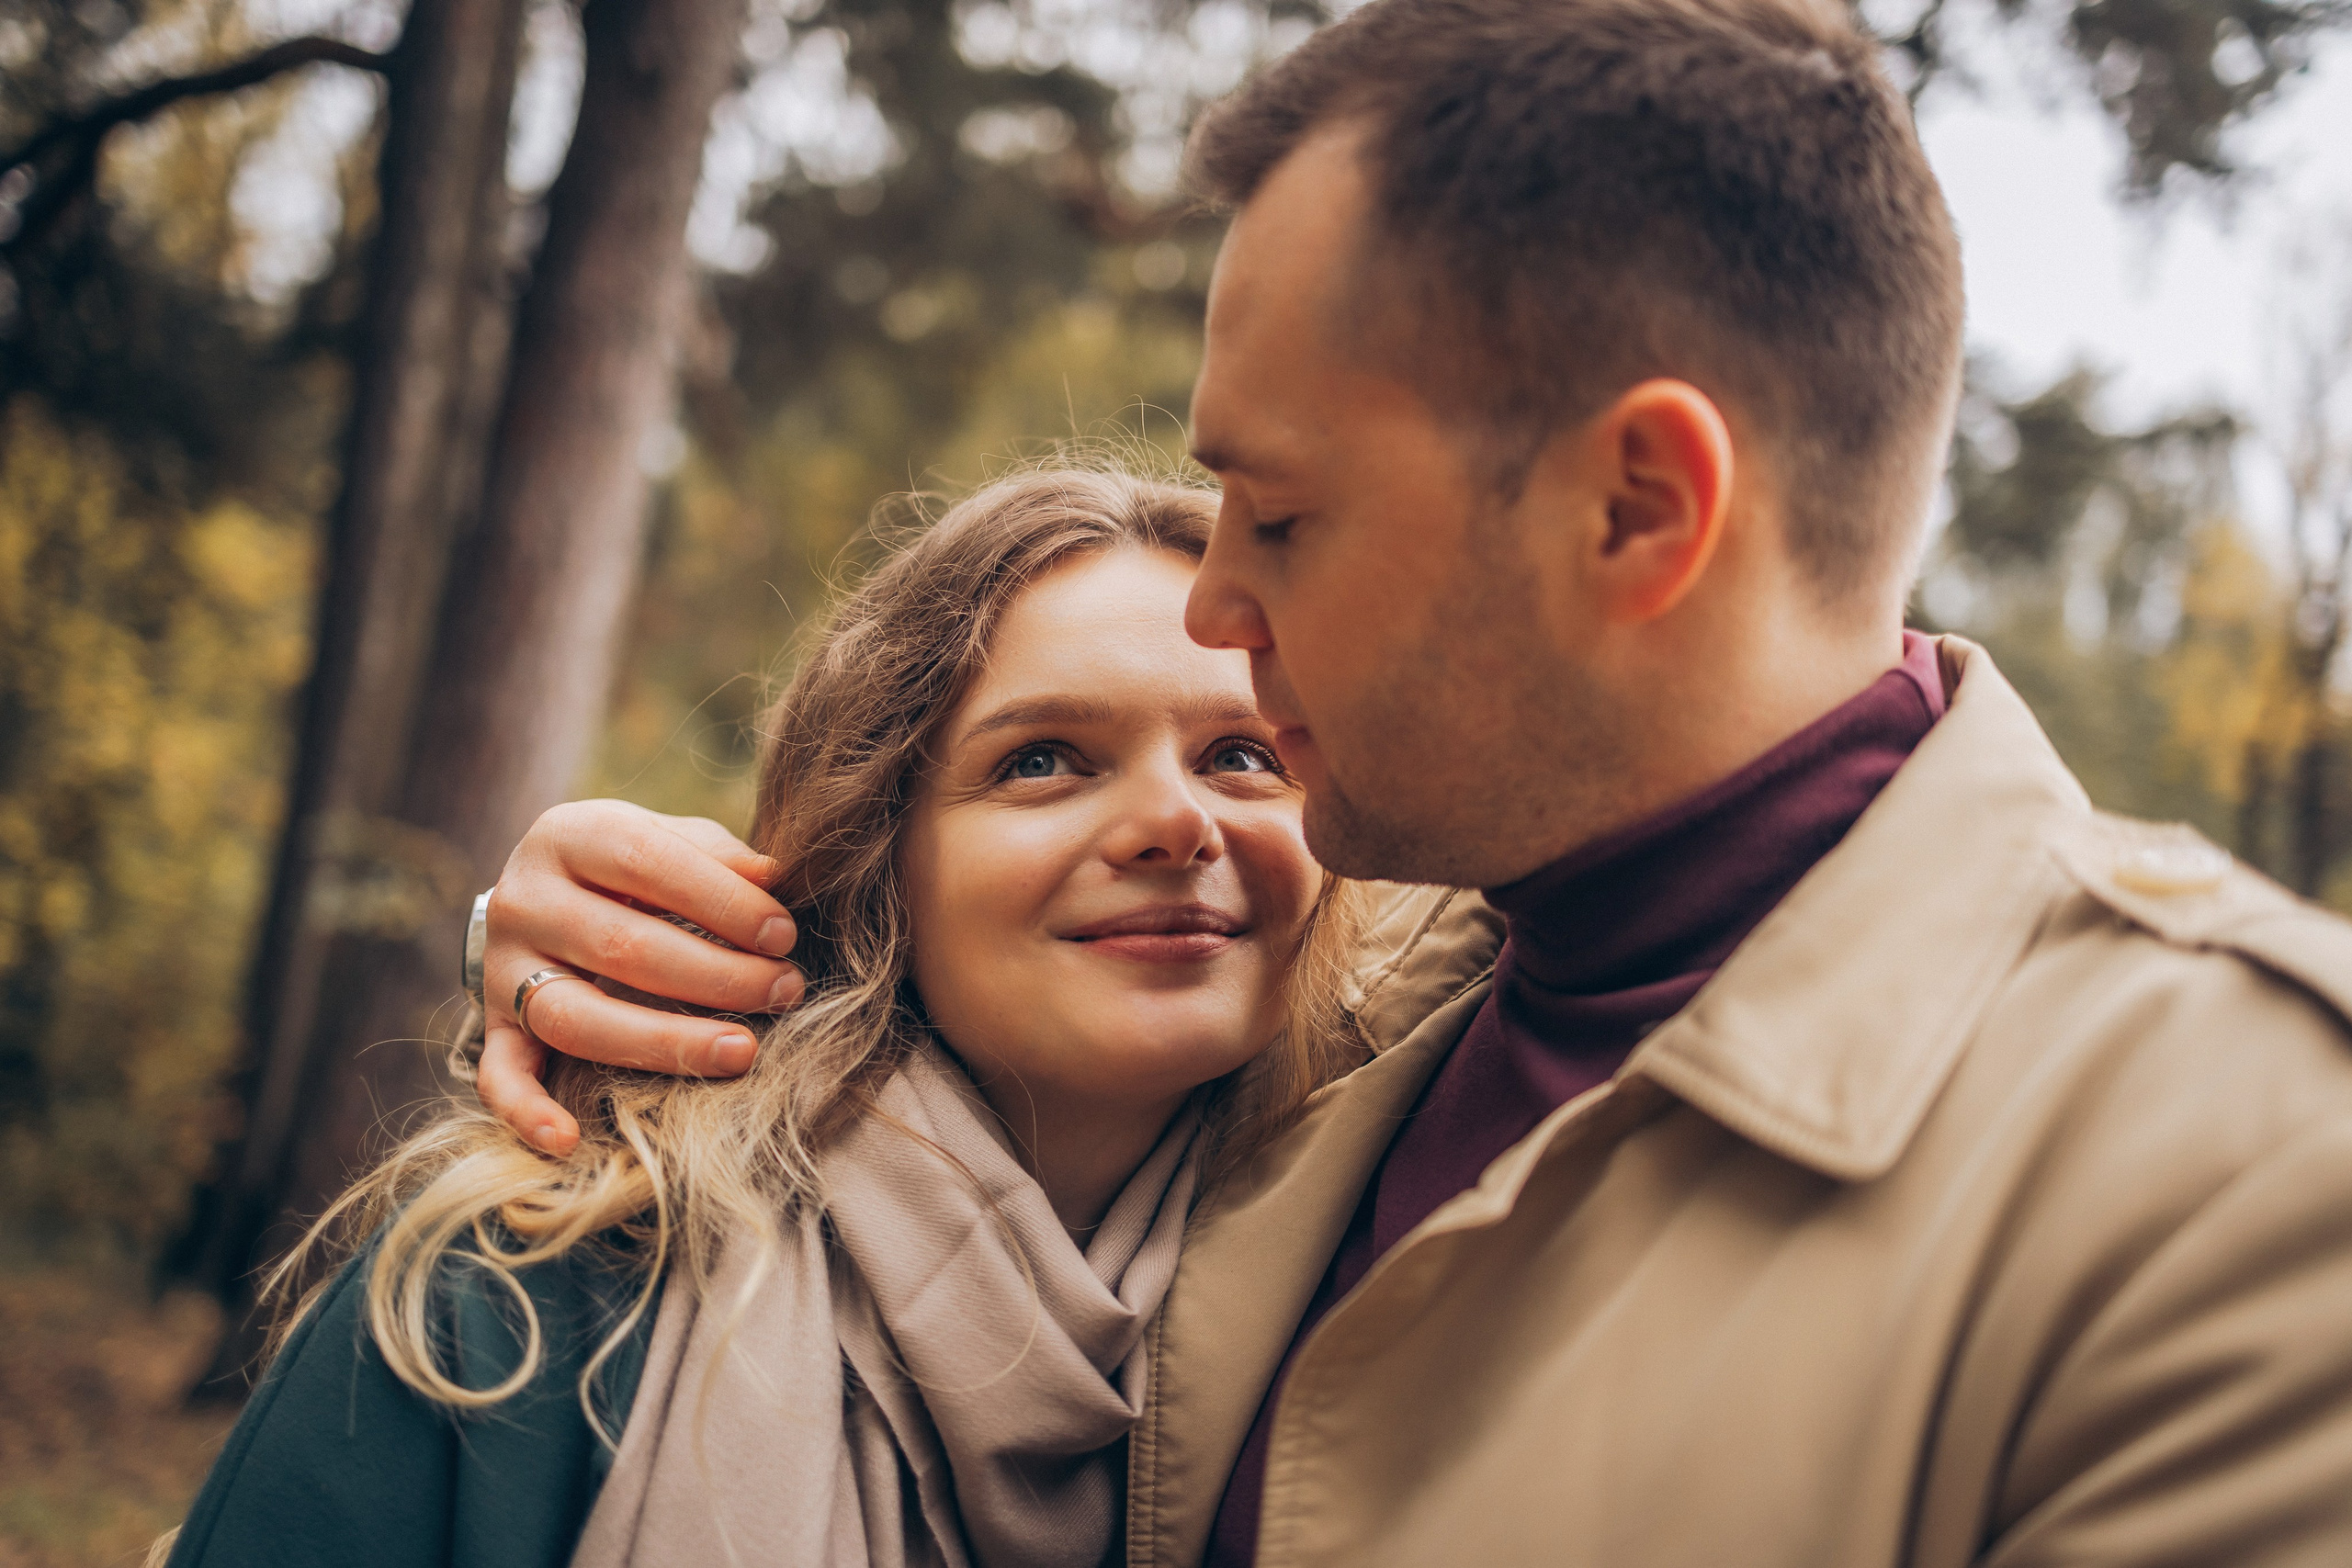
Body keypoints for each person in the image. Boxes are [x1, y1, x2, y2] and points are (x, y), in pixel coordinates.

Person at [476, 0, 2352, 1563]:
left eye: (1278, 517)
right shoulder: (1334, 1022)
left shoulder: (2242, 1172)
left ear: (1636, 509)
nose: (1216, 602)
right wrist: (622, 941)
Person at [164, 468, 1376, 1568]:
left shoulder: (1400, 1258)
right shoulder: (518, 1296)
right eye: (1044, 760)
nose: (1177, 822)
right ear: (880, 851)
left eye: (1240, 756)